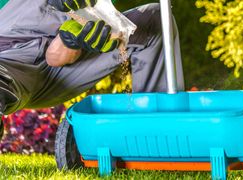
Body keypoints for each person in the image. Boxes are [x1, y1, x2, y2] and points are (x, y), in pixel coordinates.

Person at [0, 0, 185, 139]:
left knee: (155, 19)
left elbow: (56, 56)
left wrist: (71, 40)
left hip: (59, 70)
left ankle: (154, 132)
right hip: (7, 56)